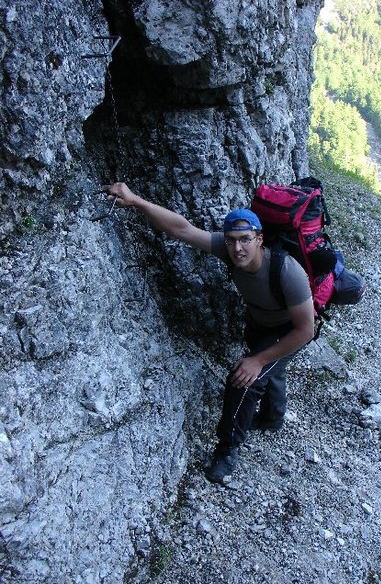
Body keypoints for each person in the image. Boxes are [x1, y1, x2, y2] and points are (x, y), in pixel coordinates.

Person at [105, 182, 315, 483]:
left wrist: (258, 361)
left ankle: (227, 449)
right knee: (271, 370)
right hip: (260, 323)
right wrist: (136, 200)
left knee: (244, 380)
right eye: (231, 241)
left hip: (290, 329)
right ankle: (272, 417)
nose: (238, 248)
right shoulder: (229, 251)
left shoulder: (286, 270)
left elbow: (305, 330)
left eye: (245, 240)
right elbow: (182, 229)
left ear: (260, 239)